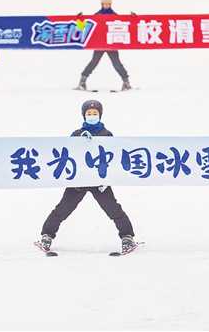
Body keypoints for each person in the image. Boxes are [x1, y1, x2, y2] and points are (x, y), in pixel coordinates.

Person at [37, 100, 138, 255]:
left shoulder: (107, 134)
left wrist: (107, 179)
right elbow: (68, 153)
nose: (92, 116)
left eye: (95, 114)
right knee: (63, 208)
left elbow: (114, 156)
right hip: (79, 180)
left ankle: (127, 237)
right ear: (84, 116)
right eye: (89, 114)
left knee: (113, 209)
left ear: (100, 115)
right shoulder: (77, 134)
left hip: (99, 181)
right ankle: (47, 235)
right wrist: (78, 142)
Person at [76, 0, 132, 91]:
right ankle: (82, 82)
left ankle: (126, 82)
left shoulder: (114, 15)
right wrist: (79, 19)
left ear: (111, 4)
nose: (106, 5)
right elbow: (85, 27)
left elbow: (125, 25)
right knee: (94, 62)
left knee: (116, 63)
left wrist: (133, 19)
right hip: (99, 44)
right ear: (102, 4)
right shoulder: (97, 15)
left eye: (108, 4)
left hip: (111, 44)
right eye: (105, 4)